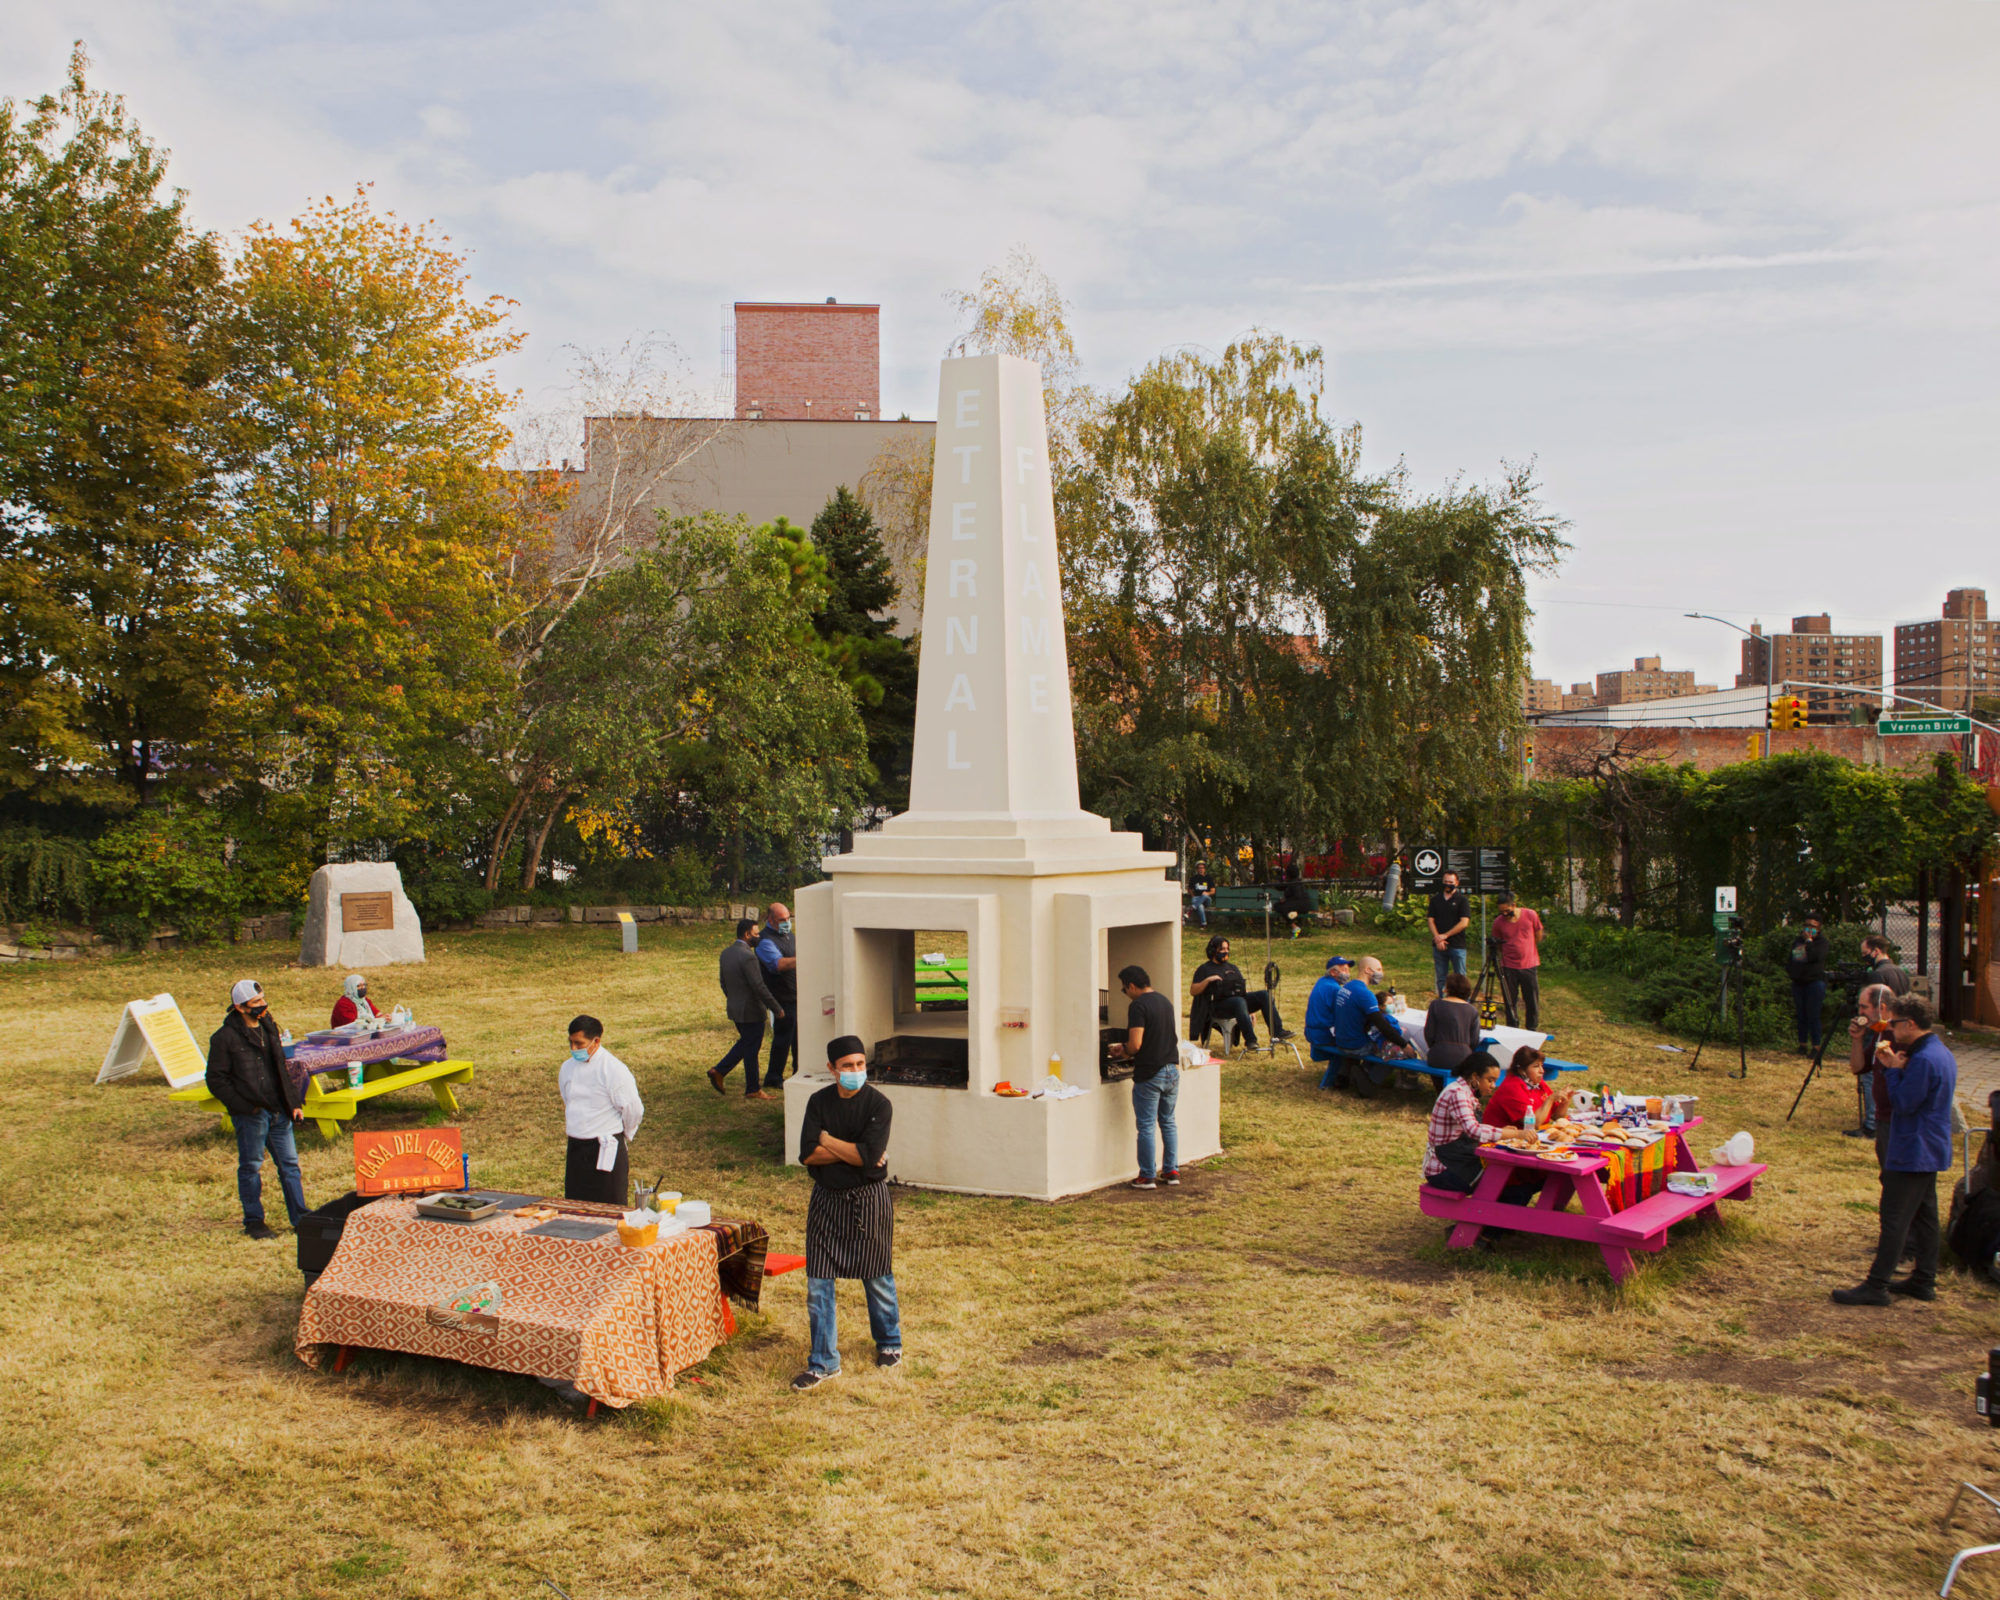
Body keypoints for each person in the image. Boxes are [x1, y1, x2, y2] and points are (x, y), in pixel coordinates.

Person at [1833, 992, 1957, 1306]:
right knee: (1925, 1215)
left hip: (1914, 1148)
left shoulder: (1923, 1060)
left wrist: (1892, 1070)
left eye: (1895, 1023)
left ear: (1911, 1024)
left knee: (1895, 1217)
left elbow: (1903, 1103)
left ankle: (1877, 1285)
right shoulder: (1939, 1052)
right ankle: (1924, 1279)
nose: (1891, 1028)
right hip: (1930, 1146)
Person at [793, 1036, 900, 1390]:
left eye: (859, 1064)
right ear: (832, 1069)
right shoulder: (818, 1101)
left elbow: (868, 1158)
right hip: (826, 1200)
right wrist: (855, 1152)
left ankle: (889, 1342)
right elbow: (807, 1155)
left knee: (877, 1275)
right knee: (818, 1282)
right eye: (847, 1066)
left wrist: (827, 1141)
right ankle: (823, 1362)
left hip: (869, 1200)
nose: (855, 1071)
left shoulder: (879, 1104)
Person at [206, 979, 308, 1239]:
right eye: (256, 1003)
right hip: (252, 1114)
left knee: (290, 1165)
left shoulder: (268, 1026)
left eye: (263, 1000)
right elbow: (216, 1079)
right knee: (251, 1166)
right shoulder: (223, 1038)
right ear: (240, 1007)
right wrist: (244, 1108)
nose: (262, 1006)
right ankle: (254, 1221)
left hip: (279, 1111)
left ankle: (301, 1217)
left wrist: (293, 1103)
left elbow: (280, 1068)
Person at [1107, 965, 1180, 1190]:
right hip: (1172, 1070)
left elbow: (1136, 1044)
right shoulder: (1164, 1001)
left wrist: (1124, 1051)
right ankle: (1171, 1170)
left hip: (1150, 1073)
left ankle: (1147, 1175)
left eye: (1124, 989)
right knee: (1168, 1122)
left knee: (1147, 1125)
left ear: (1131, 985)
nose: (1126, 994)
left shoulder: (1138, 1006)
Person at [559, 1015, 644, 1205]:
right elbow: (569, 1100)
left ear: (595, 1041)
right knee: (575, 1206)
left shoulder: (613, 1069)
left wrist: (625, 1134)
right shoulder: (566, 1068)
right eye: (571, 1043)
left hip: (605, 1146)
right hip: (576, 1146)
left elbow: (633, 1109)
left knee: (608, 1205)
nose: (574, 1049)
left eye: (579, 1044)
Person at [710, 919, 784, 1099]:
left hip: (735, 1009)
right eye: (756, 933)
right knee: (749, 1045)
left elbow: (723, 983)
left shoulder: (726, 953)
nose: (758, 937)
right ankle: (720, 1071)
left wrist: (734, 999)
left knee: (749, 1046)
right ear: (746, 934)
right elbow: (759, 986)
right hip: (751, 1011)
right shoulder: (749, 957)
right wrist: (776, 1008)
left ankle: (751, 1087)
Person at [1190, 935, 1291, 1051]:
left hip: (1238, 1002)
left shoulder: (1233, 967)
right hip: (1217, 1006)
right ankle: (1251, 1040)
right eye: (1222, 949)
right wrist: (1208, 980)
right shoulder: (1204, 969)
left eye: (1227, 949)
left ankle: (1277, 1031)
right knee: (1239, 1001)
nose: (1226, 952)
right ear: (1213, 950)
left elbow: (1242, 989)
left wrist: (1250, 1011)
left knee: (1264, 995)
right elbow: (1193, 990)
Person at [1423, 1052, 1503, 1193]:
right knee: (1502, 1181)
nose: (1493, 1085)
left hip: (1456, 1162)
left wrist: (1504, 1131)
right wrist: (1509, 1134)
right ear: (1475, 1077)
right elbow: (1473, 1130)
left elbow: (1473, 1126)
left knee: (1504, 1178)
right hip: (1445, 1170)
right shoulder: (1458, 1094)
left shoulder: (1464, 1092)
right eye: (1490, 1080)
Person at [1843, 982, 1896, 1144]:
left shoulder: (1899, 1035)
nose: (1860, 1013)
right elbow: (1858, 1067)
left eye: (1864, 1007)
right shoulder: (1879, 1032)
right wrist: (1857, 1040)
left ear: (1881, 1007)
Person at [757, 902, 800, 1089]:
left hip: (796, 993)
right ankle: (774, 1077)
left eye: (788, 918)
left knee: (799, 1038)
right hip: (781, 996)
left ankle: (799, 1071)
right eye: (782, 920)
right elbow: (778, 965)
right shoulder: (765, 940)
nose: (786, 922)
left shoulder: (789, 936)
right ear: (771, 920)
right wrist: (805, 958)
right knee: (784, 1037)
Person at [1332, 955, 1408, 1056]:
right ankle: (1369, 1071)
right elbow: (1382, 1025)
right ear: (1367, 970)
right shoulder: (1365, 994)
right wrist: (1405, 1045)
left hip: (1341, 1041)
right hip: (1356, 1046)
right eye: (1379, 969)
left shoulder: (1346, 987)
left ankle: (1351, 1068)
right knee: (1395, 1051)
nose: (1381, 973)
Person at [1490, 895, 1545, 1030]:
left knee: (1531, 999)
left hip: (1529, 964)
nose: (1505, 914)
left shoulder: (1530, 914)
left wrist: (1529, 947)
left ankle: (1532, 1027)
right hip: (1509, 966)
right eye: (1501, 912)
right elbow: (1497, 943)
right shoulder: (1498, 922)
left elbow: (1538, 933)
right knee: (1510, 1001)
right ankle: (1512, 1027)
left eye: (1507, 911)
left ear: (1514, 905)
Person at [1784, 914, 1830, 1057]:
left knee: (1813, 1015)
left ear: (1819, 928)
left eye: (1813, 926)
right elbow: (1796, 959)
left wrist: (1809, 942)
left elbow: (1814, 957)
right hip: (1799, 983)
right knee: (1801, 1015)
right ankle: (1802, 1044)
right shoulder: (1798, 941)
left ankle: (1816, 1046)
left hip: (1815, 983)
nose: (1809, 929)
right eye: (1807, 925)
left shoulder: (1822, 943)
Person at [1482, 1047, 1557, 1132]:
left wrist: (1566, 1099)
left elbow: (1557, 1115)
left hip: (1523, 1137)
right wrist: (1550, 1099)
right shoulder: (1512, 1087)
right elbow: (1533, 1124)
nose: (1542, 1071)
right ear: (1521, 1070)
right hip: (1498, 1140)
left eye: (1542, 1065)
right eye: (1536, 1066)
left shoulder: (1536, 1083)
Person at [1423, 972, 1482, 1075]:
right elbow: (1474, 1040)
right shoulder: (1472, 1011)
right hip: (1464, 1056)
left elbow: (1429, 1033)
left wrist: (1436, 1046)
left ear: (1447, 989)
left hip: (1438, 1054)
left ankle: (1440, 1088)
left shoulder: (1436, 1005)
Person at [1425, 869, 1472, 997]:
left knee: (1461, 978)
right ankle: (1443, 1003)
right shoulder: (1435, 900)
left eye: (1450, 882)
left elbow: (1464, 922)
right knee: (1441, 979)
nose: (1448, 884)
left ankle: (1463, 1005)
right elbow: (1430, 920)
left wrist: (1446, 935)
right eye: (1445, 881)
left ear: (1457, 883)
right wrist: (1437, 938)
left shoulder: (1462, 900)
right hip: (1439, 946)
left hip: (1457, 945)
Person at [1277, 866, 1315, 940]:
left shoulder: (1295, 883)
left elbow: (1298, 896)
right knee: (1278, 906)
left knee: (1282, 907)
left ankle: (1295, 927)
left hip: (1301, 905)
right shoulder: (1291, 882)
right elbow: (1281, 887)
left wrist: (1286, 900)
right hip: (1294, 905)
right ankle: (1293, 922)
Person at [1186, 860, 1215, 928]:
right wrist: (1193, 896)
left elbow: (1213, 891)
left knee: (1204, 896)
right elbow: (1189, 889)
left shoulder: (1209, 878)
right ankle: (1203, 924)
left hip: (1207, 899)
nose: (1201, 869)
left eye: (1202, 868)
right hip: (1197, 898)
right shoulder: (1194, 878)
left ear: (1204, 869)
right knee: (1200, 906)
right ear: (1197, 869)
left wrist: (1207, 893)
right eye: (1199, 868)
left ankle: (1192, 908)